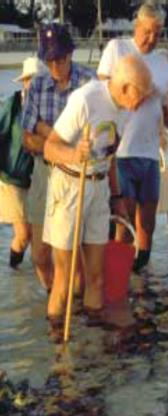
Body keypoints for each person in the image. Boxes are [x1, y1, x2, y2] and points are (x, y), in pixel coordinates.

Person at [43, 55, 152, 327]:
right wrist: (72, 152)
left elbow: (110, 156)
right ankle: (59, 351)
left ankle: (94, 348)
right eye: (140, 95)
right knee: (64, 280)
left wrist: (116, 197)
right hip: (69, 185)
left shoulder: (126, 110)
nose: (141, 103)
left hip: (100, 186)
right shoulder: (86, 99)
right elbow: (49, 148)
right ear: (125, 87)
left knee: (96, 278)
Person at [97, 3, 168, 272]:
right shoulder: (118, 49)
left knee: (148, 224)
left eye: (157, 33)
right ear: (136, 27)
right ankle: (117, 278)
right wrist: (144, 91)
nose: (151, 38)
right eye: (147, 31)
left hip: (150, 152)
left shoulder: (164, 61)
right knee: (125, 220)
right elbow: (102, 92)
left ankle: (141, 280)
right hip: (121, 152)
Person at [22, 23, 95, 290]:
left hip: (80, 174)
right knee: (40, 255)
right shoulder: (37, 86)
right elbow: (27, 139)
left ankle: (75, 307)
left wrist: (45, 130)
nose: (55, 64)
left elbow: (97, 134)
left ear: (70, 53)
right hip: (45, 171)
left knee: (76, 256)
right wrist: (56, 143)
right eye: (49, 59)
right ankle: (57, 292)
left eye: (60, 57)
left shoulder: (89, 82)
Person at [0, 57, 45, 268]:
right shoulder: (12, 104)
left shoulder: (47, 107)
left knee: (40, 239)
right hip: (11, 178)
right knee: (24, 234)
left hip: (36, 179)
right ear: (24, 81)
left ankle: (25, 280)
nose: (35, 84)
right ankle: (14, 273)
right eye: (31, 80)